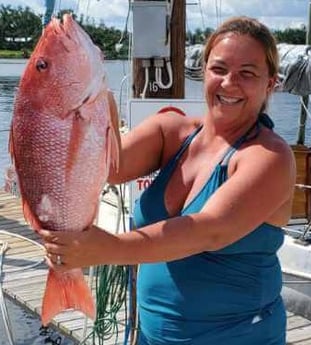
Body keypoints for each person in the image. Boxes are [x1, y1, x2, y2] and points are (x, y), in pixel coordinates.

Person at [39, 16, 296, 345]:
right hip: (153, 336)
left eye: (247, 73)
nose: (230, 83)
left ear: (270, 83)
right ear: (203, 72)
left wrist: (109, 248)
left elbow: (209, 230)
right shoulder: (171, 131)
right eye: (219, 69)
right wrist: (91, 90)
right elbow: (111, 167)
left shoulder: (270, 156)